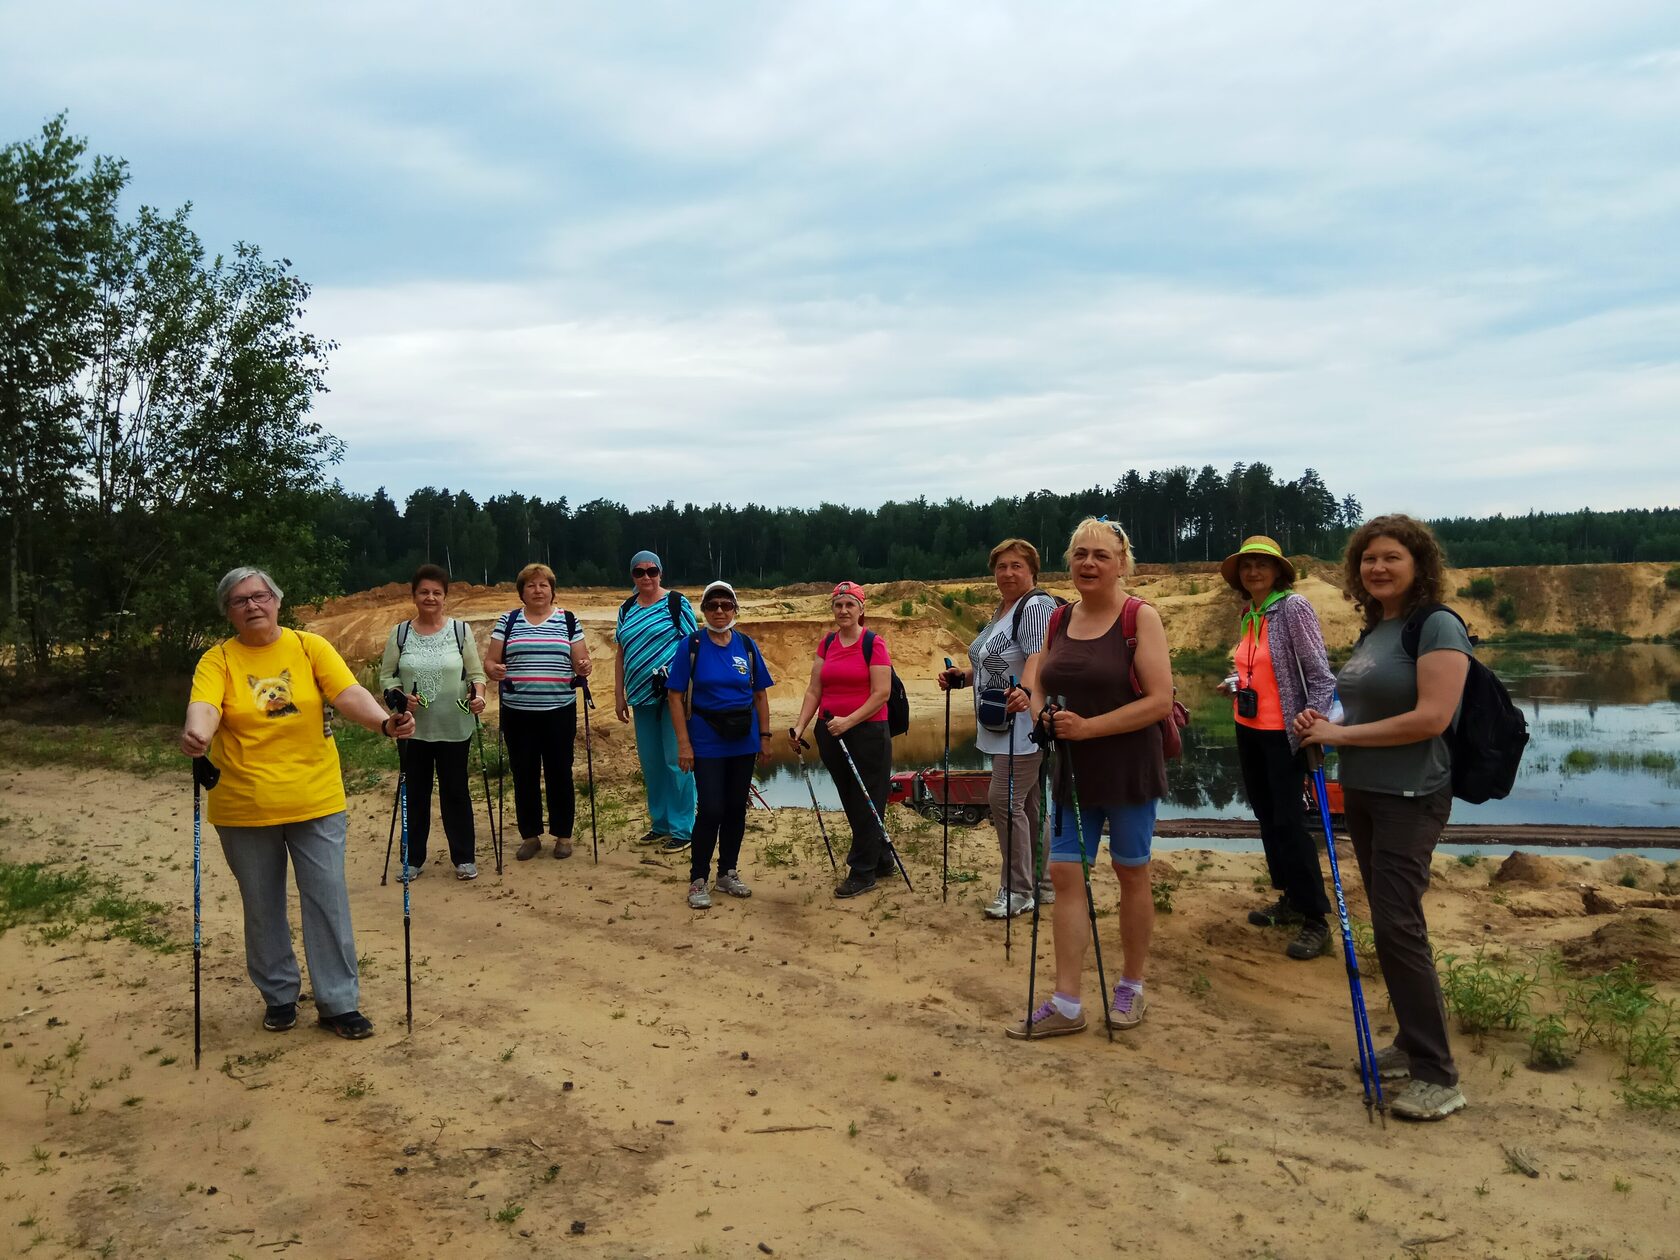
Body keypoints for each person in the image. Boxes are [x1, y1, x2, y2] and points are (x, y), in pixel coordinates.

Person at [180, 566, 413, 1040]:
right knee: (262, 904)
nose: (252, 606)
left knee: (326, 899)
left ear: (277, 601)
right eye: (240, 600)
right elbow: (204, 706)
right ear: (228, 612)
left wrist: (385, 723)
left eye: (260, 596)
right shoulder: (218, 660)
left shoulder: (309, 648)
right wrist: (197, 734)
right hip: (245, 804)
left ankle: (338, 1002)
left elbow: (348, 694)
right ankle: (279, 995)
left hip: (316, 798)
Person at [1295, 514, 1472, 1122]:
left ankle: (1438, 1074)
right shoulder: (1378, 628)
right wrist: (1323, 728)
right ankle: (1410, 1043)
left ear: (1418, 563)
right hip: (1366, 791)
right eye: (1369, 559)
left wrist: (1341, 735)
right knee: (1391, 923)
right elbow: (1357, 706)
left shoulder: (1438, 625)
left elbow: (1432, 719)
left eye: (1392, 557)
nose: (1378, 567)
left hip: (1411, 793)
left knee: (1399, 926)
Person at [1007, 518, 1172, 1038]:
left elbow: (1159, 701)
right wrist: (1040, 717)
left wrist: (1088, 727)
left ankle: (1132, 985)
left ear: (1122, 563)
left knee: (1131, 875)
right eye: (1080, 554)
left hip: (1128, 772)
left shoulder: (1139, 618)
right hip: (1072, 773)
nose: (1089, 564)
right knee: (1065, 876)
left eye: (1101, 555)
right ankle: (1067, 1002)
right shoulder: (1058, 620)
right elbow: (1039, 684)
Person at [1218, 536, 1336, 959]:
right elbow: (1256, 669)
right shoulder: (1251, 612)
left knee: (1289, 822)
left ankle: (1315, 919)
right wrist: (1235, 684)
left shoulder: (1292, 608)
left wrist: (1314, 721)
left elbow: (1320, 677)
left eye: (1261, 565)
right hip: (1248, 727)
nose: (1253, 571)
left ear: (1278, 571)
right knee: (1267, 817)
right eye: (1247, 565)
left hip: (1283, 734)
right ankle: (1288, 898)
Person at [939, 538, 1057, 919]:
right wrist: (963, 677)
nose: (1008, 573)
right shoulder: (1004, 610)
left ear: (1032, 571)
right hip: (1001, 722)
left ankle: (1018, 889)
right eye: (1001, 566)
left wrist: (1027, 689)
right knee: (1029, 803)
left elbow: (1038, 654)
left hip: (1023, 724)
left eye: (1016, 566)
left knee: (1003, 802)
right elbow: (997, 662)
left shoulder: (1035, 605)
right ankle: (1044, 882)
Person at [665, 581, 774, 909]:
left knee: (734, 810)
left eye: (726, 605)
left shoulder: (746, 645)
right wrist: (684, 745)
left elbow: (760, 694)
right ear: (703, 610)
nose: (719, 611)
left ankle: (727, 872)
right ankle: (698, 877)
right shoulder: (692, 645)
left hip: (743, 740)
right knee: (711, 808)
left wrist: (765, 737)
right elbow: (674, 695)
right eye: (712, 605)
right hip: (706, 740)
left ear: (735, 609)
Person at [378, 564, 488, 881]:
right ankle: (412, 860)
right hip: (413, 729)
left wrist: (478, 696)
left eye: (436, 592)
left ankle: (464, 858)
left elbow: (476, 675)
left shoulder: (460, 631)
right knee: (415, 792)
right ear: (414, 595)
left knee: (456, 792)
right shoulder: (400, 634)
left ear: (445, 597)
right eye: (424, 592)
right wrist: (399, 698)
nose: (430, 597)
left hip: (455, 726)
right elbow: (387, 676)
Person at [791, 581, 894, 899]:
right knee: (851, 798)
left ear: (862, 609)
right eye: (838, 604)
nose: (844, 610)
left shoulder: (874, 644)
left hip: (867, 733)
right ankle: (880, 858)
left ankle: (862, 872)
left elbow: (882, 694)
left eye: (850, 604)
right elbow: (814, 690)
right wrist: (800, 726)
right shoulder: (827, 644)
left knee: (868, 801)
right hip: (830, 732)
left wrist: (848, 721)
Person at [483, 563, 592, 862]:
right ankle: (530, 836)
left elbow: (582, 662)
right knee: (524, 773)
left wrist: (584, 667)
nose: (538, 590)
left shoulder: (569, 620)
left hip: (559, 710)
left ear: (552, 591)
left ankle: (563, 836)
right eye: (531, 585)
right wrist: (495, 671)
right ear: (522, 592)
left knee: (560, 771)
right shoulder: (508, 621)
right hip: (518, 712)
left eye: (543, 585)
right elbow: (490, 663)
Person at [613, 550, 698, 855]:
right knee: (652, 764)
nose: (646, 577)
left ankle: (682, 828)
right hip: (640, 697)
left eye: (652, 571)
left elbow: (693, 647)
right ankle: (660, 823)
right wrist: (619, 694)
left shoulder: (676, 603)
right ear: (632, 576)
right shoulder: (626, 609)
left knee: (677, 762)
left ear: (661, 573)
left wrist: (689, 689)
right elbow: (621, 651)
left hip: (673, 697)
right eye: (639, 572)